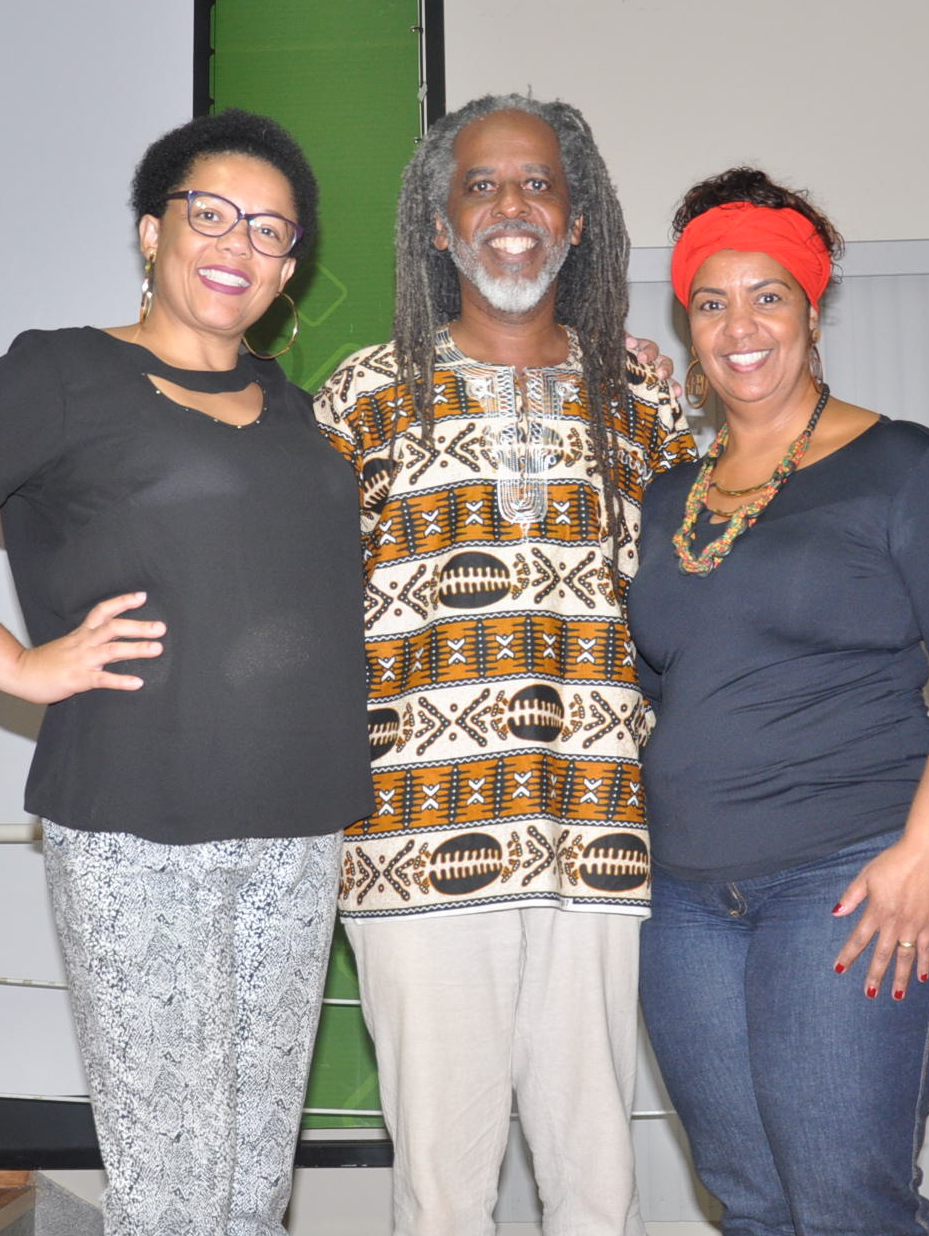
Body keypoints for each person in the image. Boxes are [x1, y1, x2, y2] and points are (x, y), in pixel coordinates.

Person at [0, 109, 370, 1236]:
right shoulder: (64, 372)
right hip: (139, 819)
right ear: (150, 232)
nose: (237, 243)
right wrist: (16, 662)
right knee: (170, 1191)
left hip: (298, 828)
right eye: (209, 213)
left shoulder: (294, 407)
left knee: (249, 1193)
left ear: (289, 270)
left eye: (269, 230)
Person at [312, 94, 694, 1236]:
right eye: (480, 186)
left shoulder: (644, 401)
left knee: (599, 1187)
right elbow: (302, 616)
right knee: (441, 1193)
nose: (511, 208)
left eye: (538, 184)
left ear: (577, 220)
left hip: (598, 840)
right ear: (439, 227)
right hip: (412, 845)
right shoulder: (364, 394)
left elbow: (697, 612)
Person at [625, 169, 929, 1235]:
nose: (739, 326)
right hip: (685, 904)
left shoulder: (904, 466)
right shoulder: (668, 498)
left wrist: (925, 854)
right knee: (751, 1202)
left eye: (767, 296)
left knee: (845, 1201)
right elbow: (663, 685)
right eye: (711, 302)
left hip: (852, 874)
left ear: (810, 309)